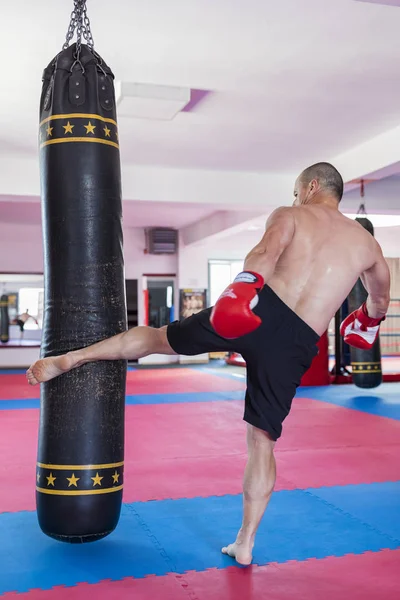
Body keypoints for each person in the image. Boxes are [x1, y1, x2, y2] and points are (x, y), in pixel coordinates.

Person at [26, 162, 390, 566]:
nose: (293, 197)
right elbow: (378, 303)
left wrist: (241, 289)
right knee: (261, 441)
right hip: (299, 340)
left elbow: (265, 254)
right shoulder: (367, 245)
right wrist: (367, 322)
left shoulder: (292, 214)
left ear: (311, 187)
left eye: (295, 190)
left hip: (259, 309)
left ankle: (71, 358)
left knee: (160, 339)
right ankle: (246, 542)